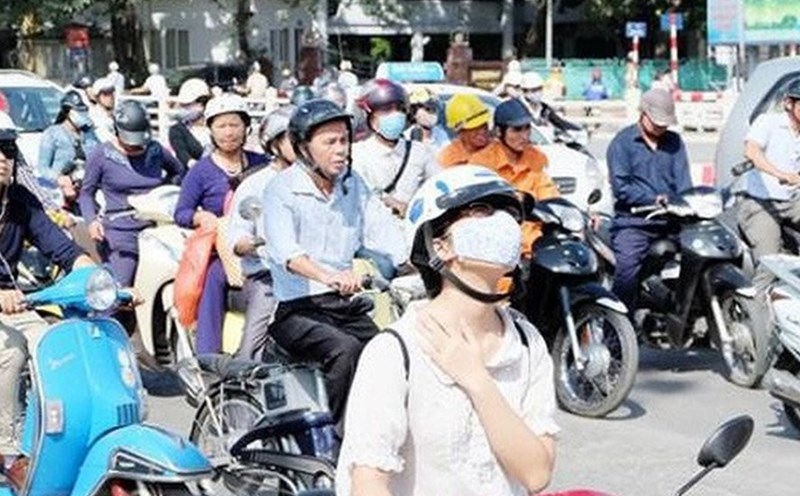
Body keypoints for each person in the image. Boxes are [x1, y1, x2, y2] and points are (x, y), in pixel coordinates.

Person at [337, 165, 559, 496]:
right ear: (439, 246)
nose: (502, 223)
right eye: (482, 211)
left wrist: (476, 380)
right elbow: (369, 483)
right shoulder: (396, 350)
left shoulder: (526, 344)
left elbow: (536, 474)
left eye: (508, 213)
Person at [262, 98, 406, 426]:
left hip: (343, 305)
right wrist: (330, 276)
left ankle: (380, 429)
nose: (340, 149)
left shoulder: (353, 186)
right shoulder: (281, 190)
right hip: (297, 309)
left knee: (389, 352)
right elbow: (287, 253)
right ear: (303, 148)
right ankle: (339, 438)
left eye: (344, 140)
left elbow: (383, 231)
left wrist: (422, 266)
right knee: (345, 350)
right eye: (329, 142)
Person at [0, 128, 95, 486]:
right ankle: (7, 451)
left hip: (14, 304)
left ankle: (61, 438)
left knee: (58, 345)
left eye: (7, 150)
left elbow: (61, 247)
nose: (2, 158)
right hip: (4, 304)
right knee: (8, 351)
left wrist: (96, 275)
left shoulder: (20, 200)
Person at [174, 94, 269, 354]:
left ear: (246, 127)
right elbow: (181, 212)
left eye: (234, 124)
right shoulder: (200, 172)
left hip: (264, 244)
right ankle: (208, 354)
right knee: (213, 281)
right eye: (222, 126)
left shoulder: (263, 164)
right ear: (211, 130)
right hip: (223, 251)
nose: (229, 132)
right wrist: (200, 217)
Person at [80, 100, 184, 324]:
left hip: (158, 227)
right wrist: (91, 221)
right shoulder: (102, 155)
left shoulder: (156, 150)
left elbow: (178, 171)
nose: (135, 147)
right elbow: (86, 193)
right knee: (118, 289)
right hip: (121, 230)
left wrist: (164, 194)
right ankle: (104, 331)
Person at [606, 88, 691, 312]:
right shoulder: (622, 143)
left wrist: (688, 202)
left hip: (673, 221)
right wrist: (654, 200)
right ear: (643, 114)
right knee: (626, 272)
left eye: (665, 124)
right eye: (657, 123)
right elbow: (621, 188)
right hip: (635, 222)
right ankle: (617, 335)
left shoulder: (675, 142)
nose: (661, 128)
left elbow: (684, 184)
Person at [225, 106, 295, 360]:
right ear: (274, 144)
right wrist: (255, 243)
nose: (301, 143)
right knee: (255, 343)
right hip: (269, 277)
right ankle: (245, 378)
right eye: (292, 137)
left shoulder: (320, 180)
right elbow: (237, 239)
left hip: (317, 274)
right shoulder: (255, 185)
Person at [471, 98, 559, 255]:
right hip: (496, 250)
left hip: (535, 247)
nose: (524, 136)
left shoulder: (536, 158)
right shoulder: (481, 163)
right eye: (517, 130)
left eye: (527, 128)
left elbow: (550, 197)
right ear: (499, 132)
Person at [738, 79, 800, 292]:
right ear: (789, 103)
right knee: (771, 266)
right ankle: (757, 315)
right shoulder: (768, 122)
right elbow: (752, 151)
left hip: (793, 201)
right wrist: (781, 174)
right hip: (760, 203)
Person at [352, 79, 435, 217]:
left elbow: (440, 183)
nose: (395, 115)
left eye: (399, 109)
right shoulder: (357, 154)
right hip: (372, 232)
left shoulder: (419, 152)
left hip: (410, 232)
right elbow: (359, 192)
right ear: (369, 117)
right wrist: (391, 202)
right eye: (386, 110)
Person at [38, 90, 100, 210]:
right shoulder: (52, 134)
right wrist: (59, 179)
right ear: (68, 113)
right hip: (61, 195)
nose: (82, 115)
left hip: (88, 192)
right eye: (78, 111)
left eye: (83, 111)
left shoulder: (90, 133)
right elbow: (42, 169)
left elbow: (100, 155)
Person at [438, 94, 491, 168]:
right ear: (458, 130)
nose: (482, 131)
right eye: (474, 127)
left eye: (484, 125)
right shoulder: (448, 158)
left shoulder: (499, 151)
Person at [169, 78, 213, 169]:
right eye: (182, 105)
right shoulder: (177, 130)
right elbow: (181, 152)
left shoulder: (216, 126)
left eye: (188, 105)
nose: (183, 109)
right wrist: (193, 164)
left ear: (202, 104)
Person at [405, 87, 450, 154]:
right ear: (413, 112)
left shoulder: (441, 134)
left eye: (434, 108)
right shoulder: (406, 137)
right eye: (428, 108)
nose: (433, 113)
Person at [89, 77, 117, 143]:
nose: (110, 97)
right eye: (105, 94)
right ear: (97, 97)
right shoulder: (95, 117)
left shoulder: (114, 113)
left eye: (111, 93)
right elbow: (108, 141)